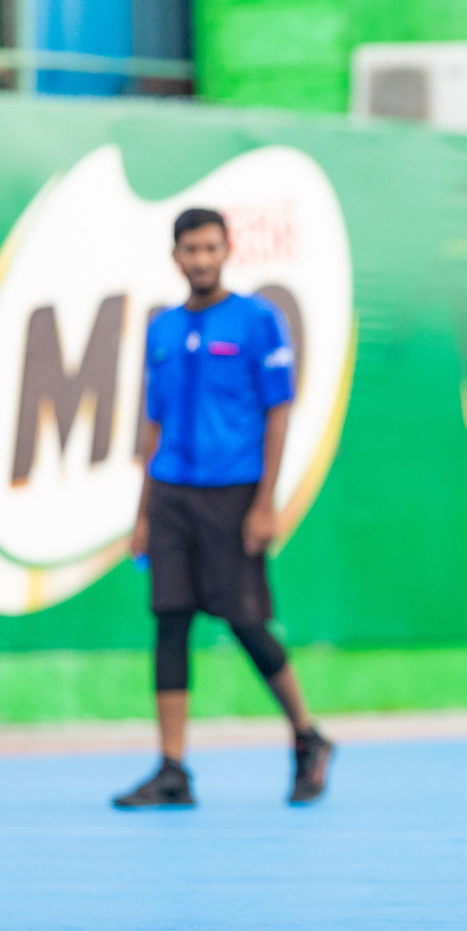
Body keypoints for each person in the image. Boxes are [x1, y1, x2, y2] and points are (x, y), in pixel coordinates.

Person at [112, 208, 334, 809]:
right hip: (170, 496)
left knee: (245, 622)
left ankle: (308, 737)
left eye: (210, 247)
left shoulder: (259, 320)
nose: (201, 258)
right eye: (190, 249)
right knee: (170, 623)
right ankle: (172, 770)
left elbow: (278, 413)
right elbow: (151, 424)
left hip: (235, 495)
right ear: (176, 256)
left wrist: (266, 505)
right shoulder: (160, 328)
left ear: (227, 249)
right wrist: (141, 516)